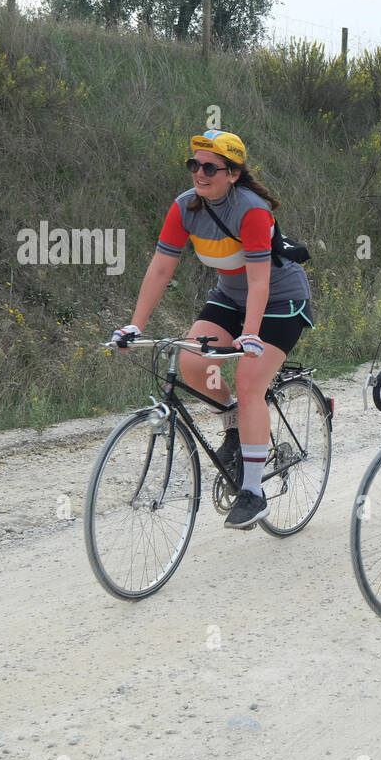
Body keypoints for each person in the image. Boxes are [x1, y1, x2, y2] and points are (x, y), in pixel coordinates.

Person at [111, 130, 313, 529]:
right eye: (194, 165)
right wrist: (136, 324)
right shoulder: (184, 208)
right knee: (191, 361)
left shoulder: (252, 211)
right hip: (230, 295)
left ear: (233, 174)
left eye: (209, 167)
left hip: (281, 300)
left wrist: (251, 334)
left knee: (250, 382)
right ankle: (236, 426)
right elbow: (161, 267)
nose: (199, 173)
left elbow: (260, 282)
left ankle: (253, 493)